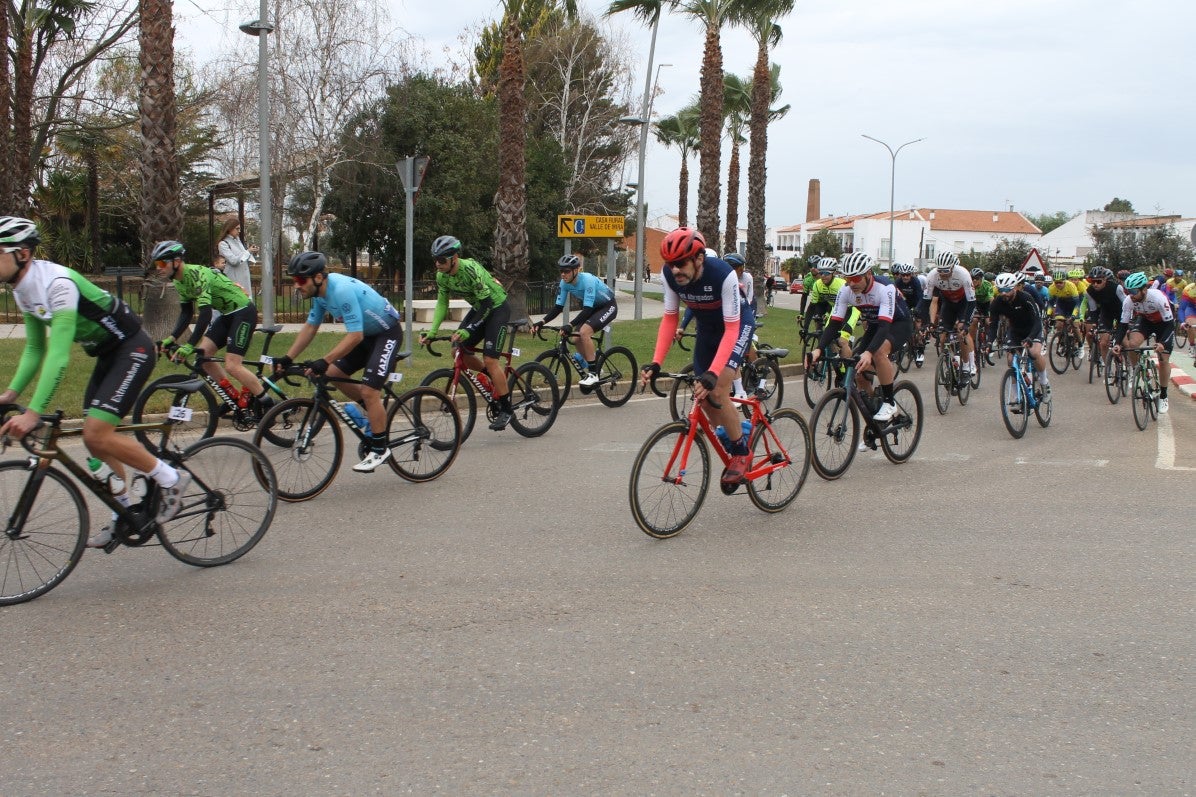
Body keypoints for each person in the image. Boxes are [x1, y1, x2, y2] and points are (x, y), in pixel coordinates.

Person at [0, 217, 191, 548]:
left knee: (96, 433)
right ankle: (127, 510)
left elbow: (58, 355)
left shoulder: (56, 283)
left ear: (24, 254)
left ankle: (171, 478)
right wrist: (9, 395)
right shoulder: (22, 288)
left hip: (133, 348)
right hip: (107, 355)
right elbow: (35, 348)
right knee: (94, 442)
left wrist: (33, 412)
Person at [639, 227, 755, 486]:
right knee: (703, 397)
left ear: (699, 259)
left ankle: (741, 453)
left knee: (718, 389)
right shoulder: (669, 275)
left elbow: (732, 328)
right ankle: (738, 431)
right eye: (670, 264)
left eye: (680, 263)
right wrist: (657, 362)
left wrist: (715, 373)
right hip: (706, 329)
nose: (675, 270)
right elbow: (670, 318)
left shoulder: (721, 274)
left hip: (735, 326)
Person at [273, 251, 403, 470]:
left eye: (299, 280)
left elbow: (355, 336)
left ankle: (380, 449)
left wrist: (325, 360)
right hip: (367, 336)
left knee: (369, 391)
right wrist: (288, 357)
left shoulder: (340, 290)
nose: (296, 285)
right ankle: (372, 414)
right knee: (333, 375)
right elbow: (311, 327)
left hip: (386, 334)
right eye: (294, 280)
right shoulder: (320, 296)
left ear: (317, 278)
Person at [151, 240, 272, 413]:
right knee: (204, 357)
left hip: (243, 312)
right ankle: (234, 399)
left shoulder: (196, 275)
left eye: (162, 263)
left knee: (232, 365)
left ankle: (268, 404)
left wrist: (189, 344)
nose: (158, 267)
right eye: (157, 264)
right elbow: (186, 313)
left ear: (176, 261)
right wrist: (171, 338)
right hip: (227, 315)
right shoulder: (178, 281)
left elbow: (205, 314)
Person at [418, 235, 515, 431]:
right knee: (457, 350)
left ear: (454, 258)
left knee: (490, 359)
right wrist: (432, 331)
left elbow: (488, 304)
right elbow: (442, 303)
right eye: (435, 259)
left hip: (496, 307)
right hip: (480, 307)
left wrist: (467, 330)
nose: (438, 264)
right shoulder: (441, 276)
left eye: (442, 260)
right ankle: (492, 378)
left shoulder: (470, 270)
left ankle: (506, 409)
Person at [807, 251, 912, 430]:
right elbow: (834, 323)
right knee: (857, 369)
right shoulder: (846, 290)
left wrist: (869, 352)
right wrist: (818, 349)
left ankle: (889, 402)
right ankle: (876, 413)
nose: (851, 284)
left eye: (856, 279)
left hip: (897, 324)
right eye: (848, 279)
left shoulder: (884, 287)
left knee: (878, 353)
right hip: (874, 325)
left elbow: (885, 326)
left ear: (868, 274)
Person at [530, 254, 617, 388]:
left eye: (567, 271)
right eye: (561, 271)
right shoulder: (564, 283)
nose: (563, 274)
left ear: (576, 270)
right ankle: (593, 364)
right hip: (593, 307)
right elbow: (558, 307)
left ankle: (593, 374)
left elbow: (587, 310)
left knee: (584, 332)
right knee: (576, 339)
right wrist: (541, 322)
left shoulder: (587, 280)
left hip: (608, 306)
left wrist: (570, 325)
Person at [1112, 271, 1176, 413]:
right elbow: (1123, 324)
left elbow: (1170, 325)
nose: (1131, 295)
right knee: (1133, 344)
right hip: (1145, 320)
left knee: (1163, 359)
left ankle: (1163, 396)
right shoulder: (1129, 300)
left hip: (1164, 324)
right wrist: (1117, 343)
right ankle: (1138, 372)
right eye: (1128, 291)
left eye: (1134, 291)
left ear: (1144, 289)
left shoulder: (1158, 297)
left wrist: (1163, 344)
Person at [985, 271, 1051, 398]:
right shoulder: (997, 302)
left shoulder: (1026, 298)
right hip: (1015, 330)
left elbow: (1037, 321)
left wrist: (1030, 338)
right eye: (1000, 290)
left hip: (1033, 329)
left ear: (1015, 287)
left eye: (1007, 289)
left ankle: (1044, 382)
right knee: (1011, 361)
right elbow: (993, 325)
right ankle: (1017, 397)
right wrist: (988, 342)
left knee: (1034, 353)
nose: (1003, 293)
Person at [925, 251, 977, 377]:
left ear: (953, 267)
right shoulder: (932, 276)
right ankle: (948, 364)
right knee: (943, 338)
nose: (942, 274)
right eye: (940, 270)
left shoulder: (963, 274)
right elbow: (928, 301)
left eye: (946, 270)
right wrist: (930, 322)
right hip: (948, 304)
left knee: (961, 332)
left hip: (963, 303)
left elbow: (971, 302)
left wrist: (966, 322)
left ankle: (967, 365)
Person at [217, 217, 257, 297]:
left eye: (239, 229)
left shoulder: (238, 241)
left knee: (246, 299)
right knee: (238, 299)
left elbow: (243, 257)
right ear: (229, 229)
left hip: (244, 275)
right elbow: (233, 261)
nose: (239, 231)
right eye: (237, 229)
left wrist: (252, 252)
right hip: (234, 277)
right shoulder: (223, 244)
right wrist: (248, 251)